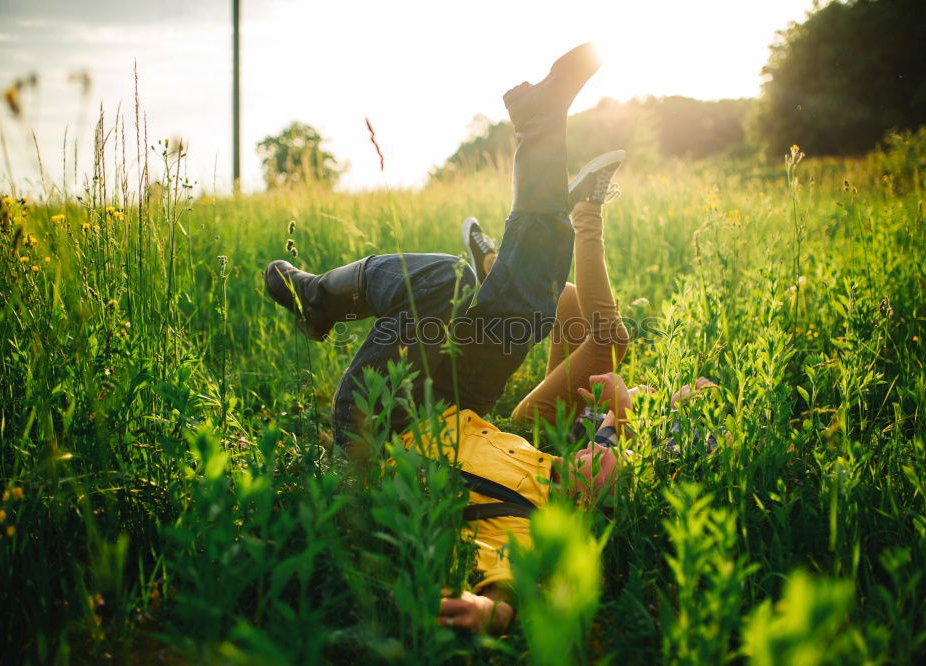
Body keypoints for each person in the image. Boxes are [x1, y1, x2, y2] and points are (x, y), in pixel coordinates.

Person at [263, 43, 707, 634]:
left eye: (603, 463)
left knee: (443, 280)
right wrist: (624, 417)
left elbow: (500, 581)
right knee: (529, 295)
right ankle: (541, 121)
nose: (600, 451)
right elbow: (614, 425)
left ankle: (317, 299)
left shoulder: (520, 519)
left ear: (585, 509)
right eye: (604, 451)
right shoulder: (559, 458)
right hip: (456, 399)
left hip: (379, 424)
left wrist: (490, 610)